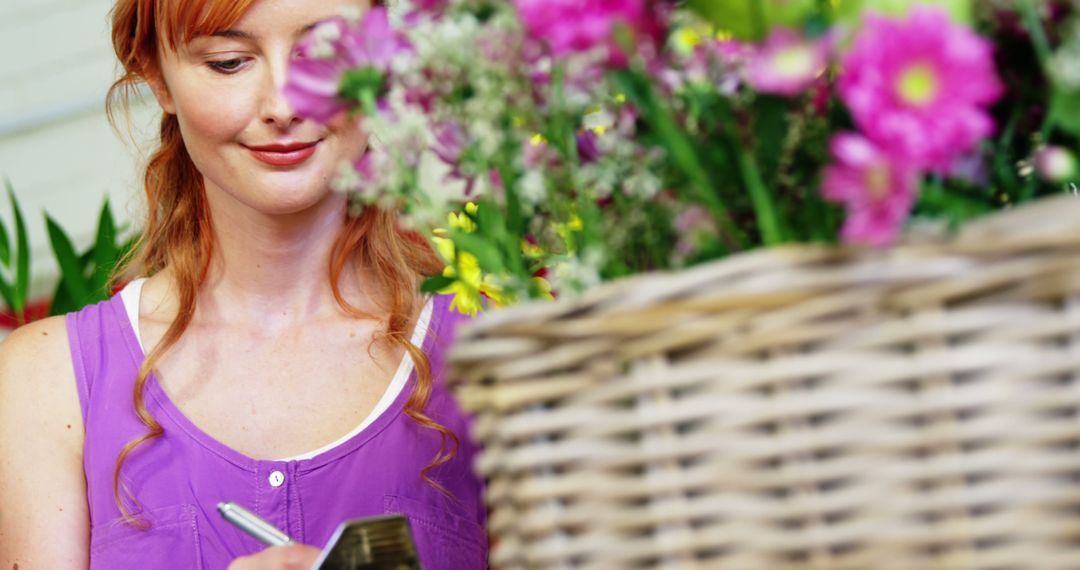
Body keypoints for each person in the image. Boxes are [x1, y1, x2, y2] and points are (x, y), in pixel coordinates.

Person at [0, 0, 487, 568]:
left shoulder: (497, 346)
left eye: (324, 54)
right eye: (229, 62)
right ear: (157, 76)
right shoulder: (47, 381)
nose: (283, 105)